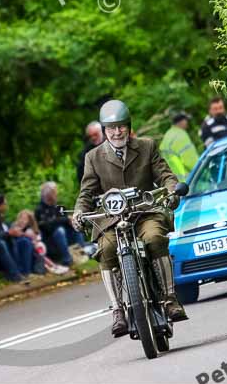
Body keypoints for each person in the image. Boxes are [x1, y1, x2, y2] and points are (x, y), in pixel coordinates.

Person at [73, 100, 187, 339]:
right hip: (112, 220)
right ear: (104, 131)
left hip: (145, 212)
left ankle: (169, 299)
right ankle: (117, 310)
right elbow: (86, 193)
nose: (117, 132)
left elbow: (165, 175)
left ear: (128, 126)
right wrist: (79, 212)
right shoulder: (93, 157)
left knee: (155, 237)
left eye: (121, 127)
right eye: (111, 128)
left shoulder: (147, 146)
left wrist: (172, 190)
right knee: (105, 249)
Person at [34, 181, 84, 267]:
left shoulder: (59, 207)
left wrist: (71, 221)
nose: (57, 194)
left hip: (65, 237)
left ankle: (82, 253)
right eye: (55, 192)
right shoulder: (40, 209)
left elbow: (64, 220)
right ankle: (67, 259)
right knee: (59, 231)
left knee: (75, 225)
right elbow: (47, 227)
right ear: (48, 195)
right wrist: (65, 219)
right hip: (49, 239)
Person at [12, 210, 69, 275]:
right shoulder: (15, 227)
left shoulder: (31, 230)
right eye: (21, 218)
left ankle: (53, 266)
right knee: (38, 252)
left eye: (25, 219)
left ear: (29, 221)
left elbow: (37, 239)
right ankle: (53, 266)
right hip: (25, 250)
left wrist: (35, 241)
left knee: (39, 251)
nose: (22, 221)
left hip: (35, 251)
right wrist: (27, 236)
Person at [159, 112, 199, 180]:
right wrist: (202, 171)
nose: (187, 123)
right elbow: (190, 160)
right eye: (186, 120)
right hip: (187, 180)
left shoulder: (168, 134)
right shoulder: (181, 135)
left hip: (173, 180)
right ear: (182, 121)